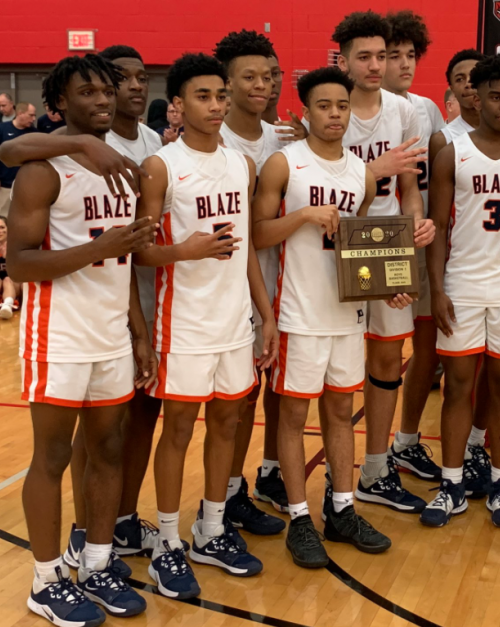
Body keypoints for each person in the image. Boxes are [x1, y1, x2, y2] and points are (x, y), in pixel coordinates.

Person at [8, 53, 156, 626]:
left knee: (110, 450)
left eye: (106, 91)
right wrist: (101, 246)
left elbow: (124, 260)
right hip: (59, 335)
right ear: (59, 105)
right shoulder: (44, 169)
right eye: (86, 93)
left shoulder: (125, 163)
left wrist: (138, 332)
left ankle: (95, 563)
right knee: (50, 457)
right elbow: (20, 264)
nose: (100, 100)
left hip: (112, 334)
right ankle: (46, 582)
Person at [135, 53, 277, 597]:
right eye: (203, 96)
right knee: (176, 431)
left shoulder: (242, 164)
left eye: (220, 94)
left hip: (235, 321)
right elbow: (139, 253)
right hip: (184, 323)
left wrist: (264, 314)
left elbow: (243, 252)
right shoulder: (162, 166)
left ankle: (210, 528)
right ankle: (167, 541)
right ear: (178, 104)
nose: (216, 105)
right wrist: (184, 249)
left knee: (227, 424)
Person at [253, 66, 397, 567]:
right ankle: (298, 517)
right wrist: (302, 217)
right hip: (297, 312)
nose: (334, 114)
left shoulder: (363, 174)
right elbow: (256, 235)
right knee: (292, 418)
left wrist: (388, 287)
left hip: (347, 316)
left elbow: (358, 249)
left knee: (340, 414)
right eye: (324, 106)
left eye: (341, 106)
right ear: (307, 110)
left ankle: (341, 509)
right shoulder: (283, 164)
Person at [421, 54, 500, 528]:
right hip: (463, 281)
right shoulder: (452, 153)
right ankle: (451, 484)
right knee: (456, 385)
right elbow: (436, 225)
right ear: (474, 96)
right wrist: (436, 290)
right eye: (494, 96)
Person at [331, 10, 435, 514]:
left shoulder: (403, 111)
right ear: (344, 60)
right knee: (340, 362)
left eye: (382, 55)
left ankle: (375, 466)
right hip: (338, 243)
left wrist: (416, 234)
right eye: (365, 57)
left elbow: (410, 189)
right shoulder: (331, 108)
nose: (376, 65)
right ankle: (337, 472)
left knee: (388, 357)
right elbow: (328, 187)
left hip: (388, 240)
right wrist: (374, 170)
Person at [213, 29, 294, 528]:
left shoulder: (282, 137)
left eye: (269, 75)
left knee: (279, 389)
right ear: (227, 84)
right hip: (233, 289)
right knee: (238, 401)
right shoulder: (213, 142)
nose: (262, 84)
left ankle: (268, 472)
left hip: (283, 279)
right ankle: (228, 491)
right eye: (250, 76)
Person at [382, 10, 448, 483]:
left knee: (425, 347)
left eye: (411, 55)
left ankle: (405, 442)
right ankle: (369, 459)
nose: (405, 64)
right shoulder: (353, 107)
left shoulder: (426, 109)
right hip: (369, 243)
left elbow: (449, 151)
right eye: (395, 55)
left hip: (418, 238)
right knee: (378, 355)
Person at [0, 102, 37, 216]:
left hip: (27, 185)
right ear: (20, 113)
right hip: (4, 183)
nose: (33, 119)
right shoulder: (1, 129)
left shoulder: (35, 133)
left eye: (34, 115)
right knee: (1, 216)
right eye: (31, 115)